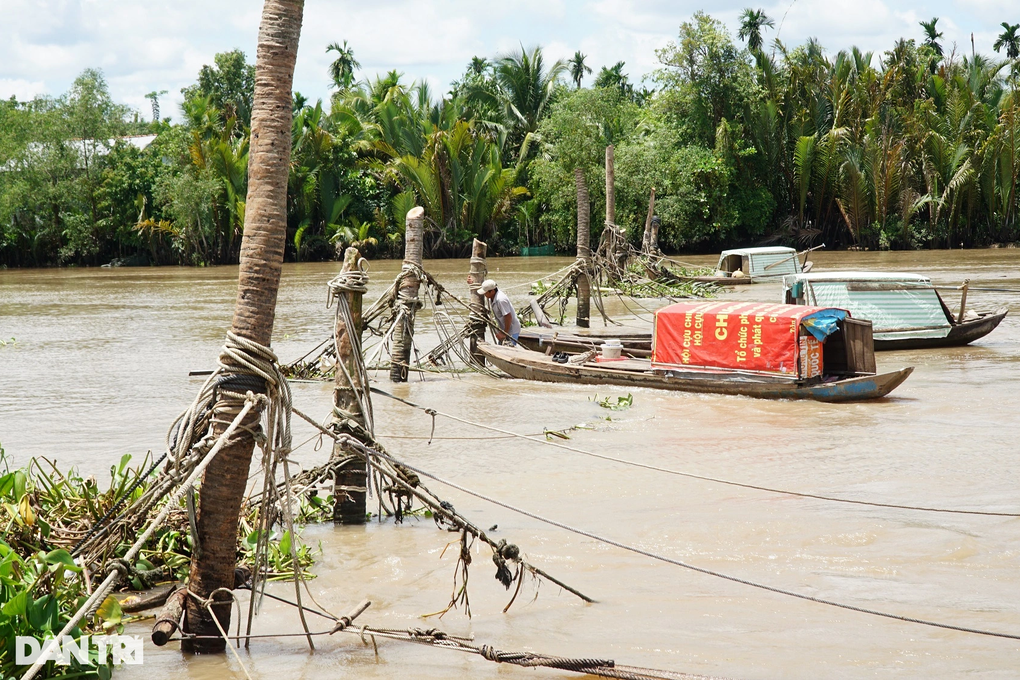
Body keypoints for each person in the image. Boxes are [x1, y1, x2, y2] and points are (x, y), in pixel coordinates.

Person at [477, 279, 520, 345]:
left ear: (492, 291)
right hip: (505, 329)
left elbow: (508, 317)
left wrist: (504, 333)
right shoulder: (492, 297)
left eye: (485, 293)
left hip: (511, 332)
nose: (484, 295)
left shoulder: (501, 300)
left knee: (507, 352)